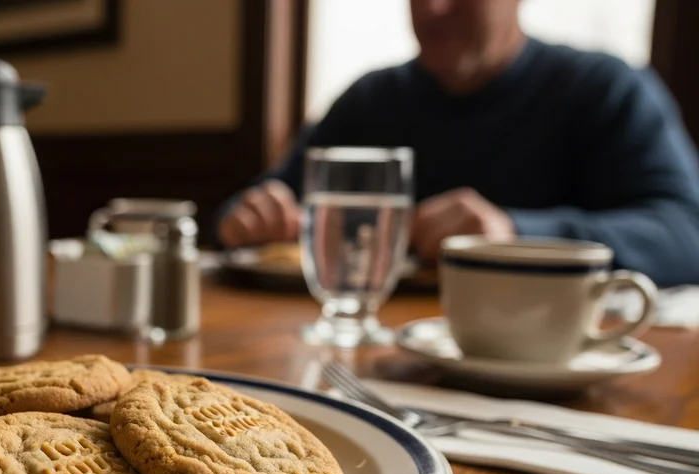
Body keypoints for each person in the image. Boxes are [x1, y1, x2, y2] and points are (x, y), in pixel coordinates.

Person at [217, 0, 699, 287]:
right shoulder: (370, 100)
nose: (433, 8)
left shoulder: (603, 88)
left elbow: (686, 233)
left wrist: (513, 235)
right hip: (381, 366)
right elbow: (256, 203)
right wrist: (250, 216)